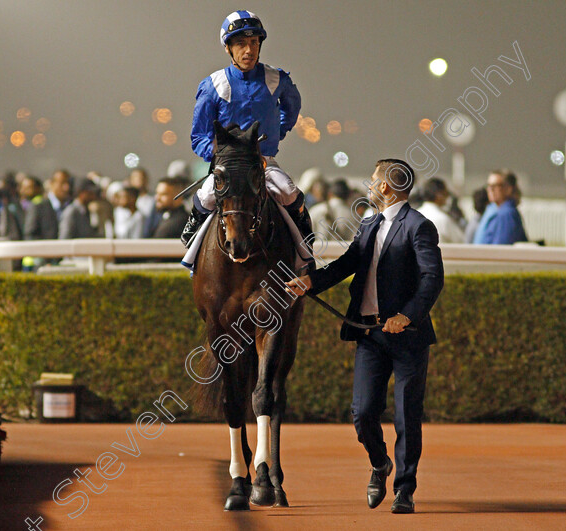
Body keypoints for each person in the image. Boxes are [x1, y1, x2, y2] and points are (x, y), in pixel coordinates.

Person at [285, 159, 444, 515]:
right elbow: (348, 263)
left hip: (407, 337)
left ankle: (405, 490)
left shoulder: (419, 226)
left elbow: (432, 279)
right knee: (362, 413)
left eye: (373, 181)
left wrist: (405, 316)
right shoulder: (370, 223)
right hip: (370, 335)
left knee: (406, 417)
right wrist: (310, 283)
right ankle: (379, 463)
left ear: (386, 187)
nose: (369, 186)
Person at [182, 10, 311, 247]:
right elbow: (198, 136)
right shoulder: (212, 85)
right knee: (207, 195)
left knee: (290, 193)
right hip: (227, 165)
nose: (249, 50)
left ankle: (305, 243)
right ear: (228, 48)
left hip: (263, 162)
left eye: (254, 43)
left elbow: (292, 107)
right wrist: (221, 152)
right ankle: (193, 240)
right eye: (241, 44)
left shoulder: (277, 78)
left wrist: (278, 132)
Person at [473, 169, 527, 245]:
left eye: (495, 185)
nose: (490, 189)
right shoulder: (495, 210)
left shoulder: (506, 214)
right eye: (488, 185)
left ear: (508, 189)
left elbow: (500, 249)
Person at [416, 177, 465, 244]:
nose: (447, 197)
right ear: (439, 195)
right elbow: (461, 242)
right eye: (446, 193)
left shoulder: (415, 215)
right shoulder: (442, 219)